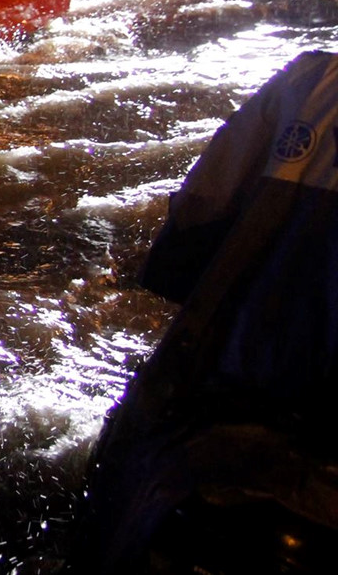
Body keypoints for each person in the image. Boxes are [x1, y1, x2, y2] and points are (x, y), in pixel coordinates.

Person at [79, 51, 338, 572]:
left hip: (226, 384)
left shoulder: (314, 80)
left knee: (124, 478)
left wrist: (168, 275)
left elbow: (200, 209)